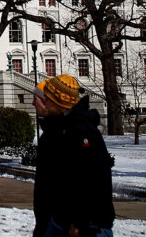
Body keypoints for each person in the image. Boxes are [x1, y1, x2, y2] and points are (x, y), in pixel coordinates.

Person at [32, 74, 114, 237]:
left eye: (39, 98)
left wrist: (80, 222)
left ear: (53, 100)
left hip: (82, 227)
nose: (34, 103)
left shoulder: (82, 132)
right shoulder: (54, 131)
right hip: (57, 220)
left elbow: (91, 179)